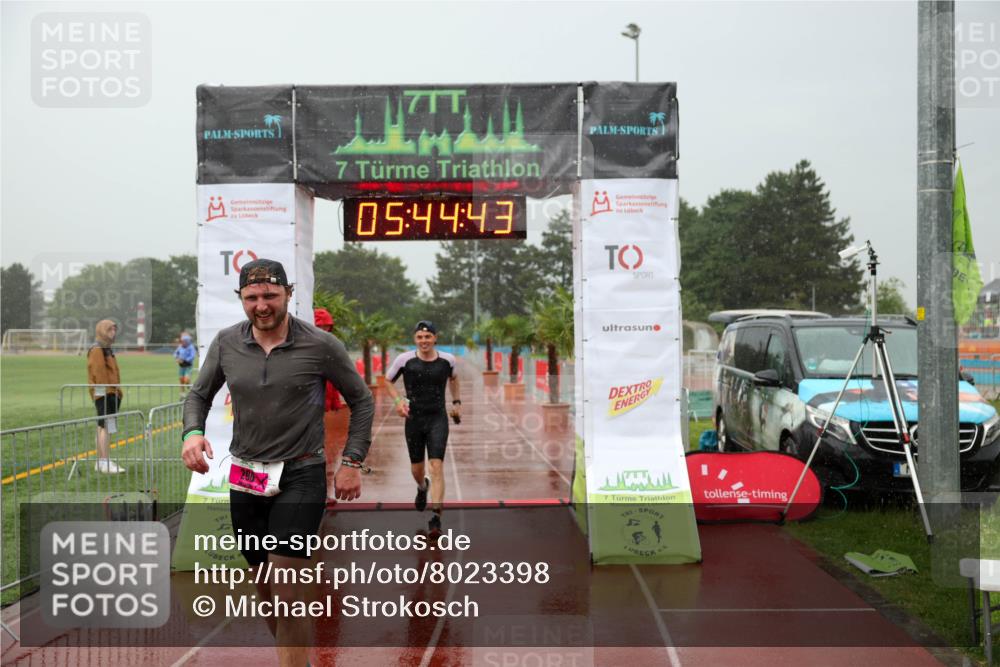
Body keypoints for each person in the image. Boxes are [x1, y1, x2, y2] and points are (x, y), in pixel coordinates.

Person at [181, 258, 374, 666]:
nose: (261, 305)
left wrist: (352, 460)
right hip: (246, 478)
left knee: (287, 590)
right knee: (266, 588)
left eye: (270, 295)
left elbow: (362, 400)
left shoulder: (320, 345)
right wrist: (192, 433)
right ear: (241, 299)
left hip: (301, 474)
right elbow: (198, 395)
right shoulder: (227, 343)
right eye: (251, 297)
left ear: (288, 294)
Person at [384, 320, 461, 535]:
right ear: (415, 339)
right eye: (420, 337)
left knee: (436, 466)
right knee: (417, 469)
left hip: (438, 418)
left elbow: (454, 379)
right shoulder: (404, 360)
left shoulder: (448, 360)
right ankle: (421, 487)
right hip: (414, 420)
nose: (424, 341)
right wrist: (399, 401)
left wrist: (457, 403)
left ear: (435, 338)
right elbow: (387, 380)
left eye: (428, 337)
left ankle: (436, 517)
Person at [88, 319, 125, 474]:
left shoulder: (106, 348)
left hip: (111, 393)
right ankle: (103, 461)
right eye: (110, 330)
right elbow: (99, 374)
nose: (113, 333)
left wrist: (116, 391)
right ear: (102, 330)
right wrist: (109, 392)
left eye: (114, 330)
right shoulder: (98, 349)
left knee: (106, 426)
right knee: (105, 426)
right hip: (105, 393)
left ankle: (103, 460)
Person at [312, 309, 343, 411]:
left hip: (324, 395)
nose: (323, 330)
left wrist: (335, 402)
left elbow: (335, 377)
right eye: (319, 326)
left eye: (326, 326)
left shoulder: (331, 345)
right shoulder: (305, 345)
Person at [173, 332, 196, 397]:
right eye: (182, 341)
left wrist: (184, 359)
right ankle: (182, 392)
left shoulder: (191, 347)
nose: (183, 342)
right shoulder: (180, 347)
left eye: (185, 341)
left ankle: (190, 387)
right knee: (181, 379)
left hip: (188, 365)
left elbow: (192, 356)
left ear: (188, 341)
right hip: (181, 366)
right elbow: (175, 354)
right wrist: (177, 358)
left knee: (186, 379)